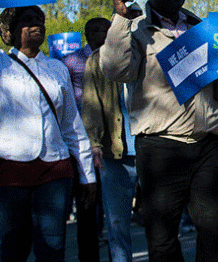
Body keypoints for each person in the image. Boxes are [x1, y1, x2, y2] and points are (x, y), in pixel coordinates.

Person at [100, 0, 218, 262]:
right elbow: (115, 70)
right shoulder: (137, 28)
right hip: (160, 149)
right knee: (162, 239)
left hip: (206, 146)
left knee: (217, 229)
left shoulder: (202, 28)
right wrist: (120, 19)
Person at [0, 0, 97, 262]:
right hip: (9, 172)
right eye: (27, 21)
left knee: (52, 249)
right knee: (14, 249)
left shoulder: (57, 68)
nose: (35, 25)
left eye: (38, 20)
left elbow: (72, 127)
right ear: (10, 32)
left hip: (54, 169)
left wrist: (87, 174)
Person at [80, 17, 137, 262]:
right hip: (115, 153)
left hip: (152, 147)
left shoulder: (143, 51)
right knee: (117, 223)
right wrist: (93, 143)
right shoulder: (95, 61)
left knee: (162, 219)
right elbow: (91, 106)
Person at [60, 17, 110, 261]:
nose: (99, 33)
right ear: (87, 33)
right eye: (94, 29)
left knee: (110, 204)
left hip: (112, 136)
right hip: (82, 138)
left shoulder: (116, 56)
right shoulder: (71, 61)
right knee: (87, 201)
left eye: (104, 29)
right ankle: (88, 255)